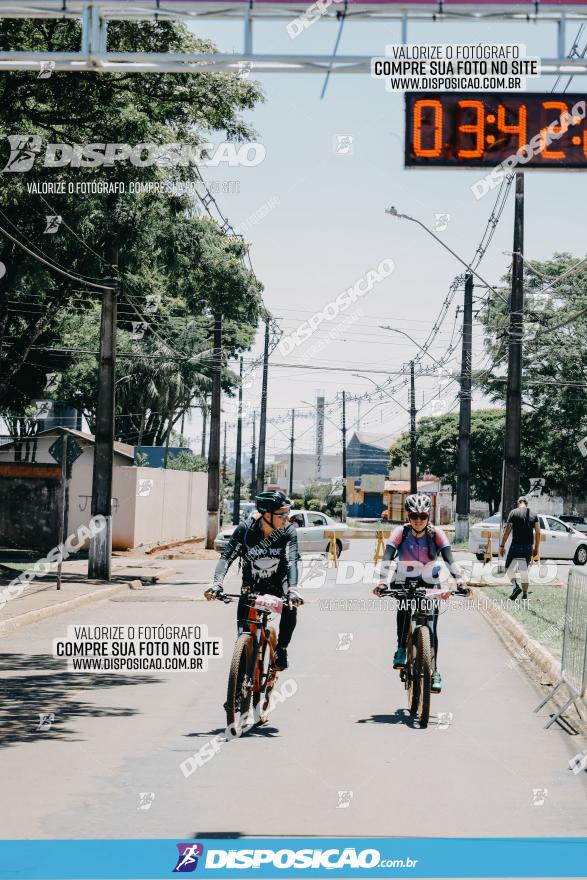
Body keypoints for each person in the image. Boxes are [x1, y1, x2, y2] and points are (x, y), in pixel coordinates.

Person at [373, 493, 469, 694]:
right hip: (403, 577)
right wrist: (382, 581)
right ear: (408, 516)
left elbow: (449, 559)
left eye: (422, 516)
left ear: (428, 516)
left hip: (429, 579)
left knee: (432, 627)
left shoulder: (436, 534)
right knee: (405, 610)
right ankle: (401, 648)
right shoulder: (400, 532)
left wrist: (459, 580)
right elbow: (388, 557)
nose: (418, 520)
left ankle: (434, 671)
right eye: (414, 516)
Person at [205, 489, 302, 670]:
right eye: (282, 514)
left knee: (291, 606)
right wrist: (217, 583)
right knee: (243, 641)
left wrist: (293, 589)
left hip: (278, 583)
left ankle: (281, 648)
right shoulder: (245, 530)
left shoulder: (288, 531)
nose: (286, 518)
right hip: (251, 587)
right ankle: (242, 672)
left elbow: (291, 560)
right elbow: (226, 557)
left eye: (288, 514)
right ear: (266, 515)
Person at [499, 496, 541, 602]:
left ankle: (515, 586)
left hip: (515, 545)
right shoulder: (534, 514)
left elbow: (507, 530)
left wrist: (502, 545)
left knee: (508, 567)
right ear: (526, 503)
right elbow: (538, 532)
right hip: (528, 547)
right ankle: (525, 595)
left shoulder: (513, 513)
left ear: (519, 503)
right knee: (524, 570)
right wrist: (536, 548)